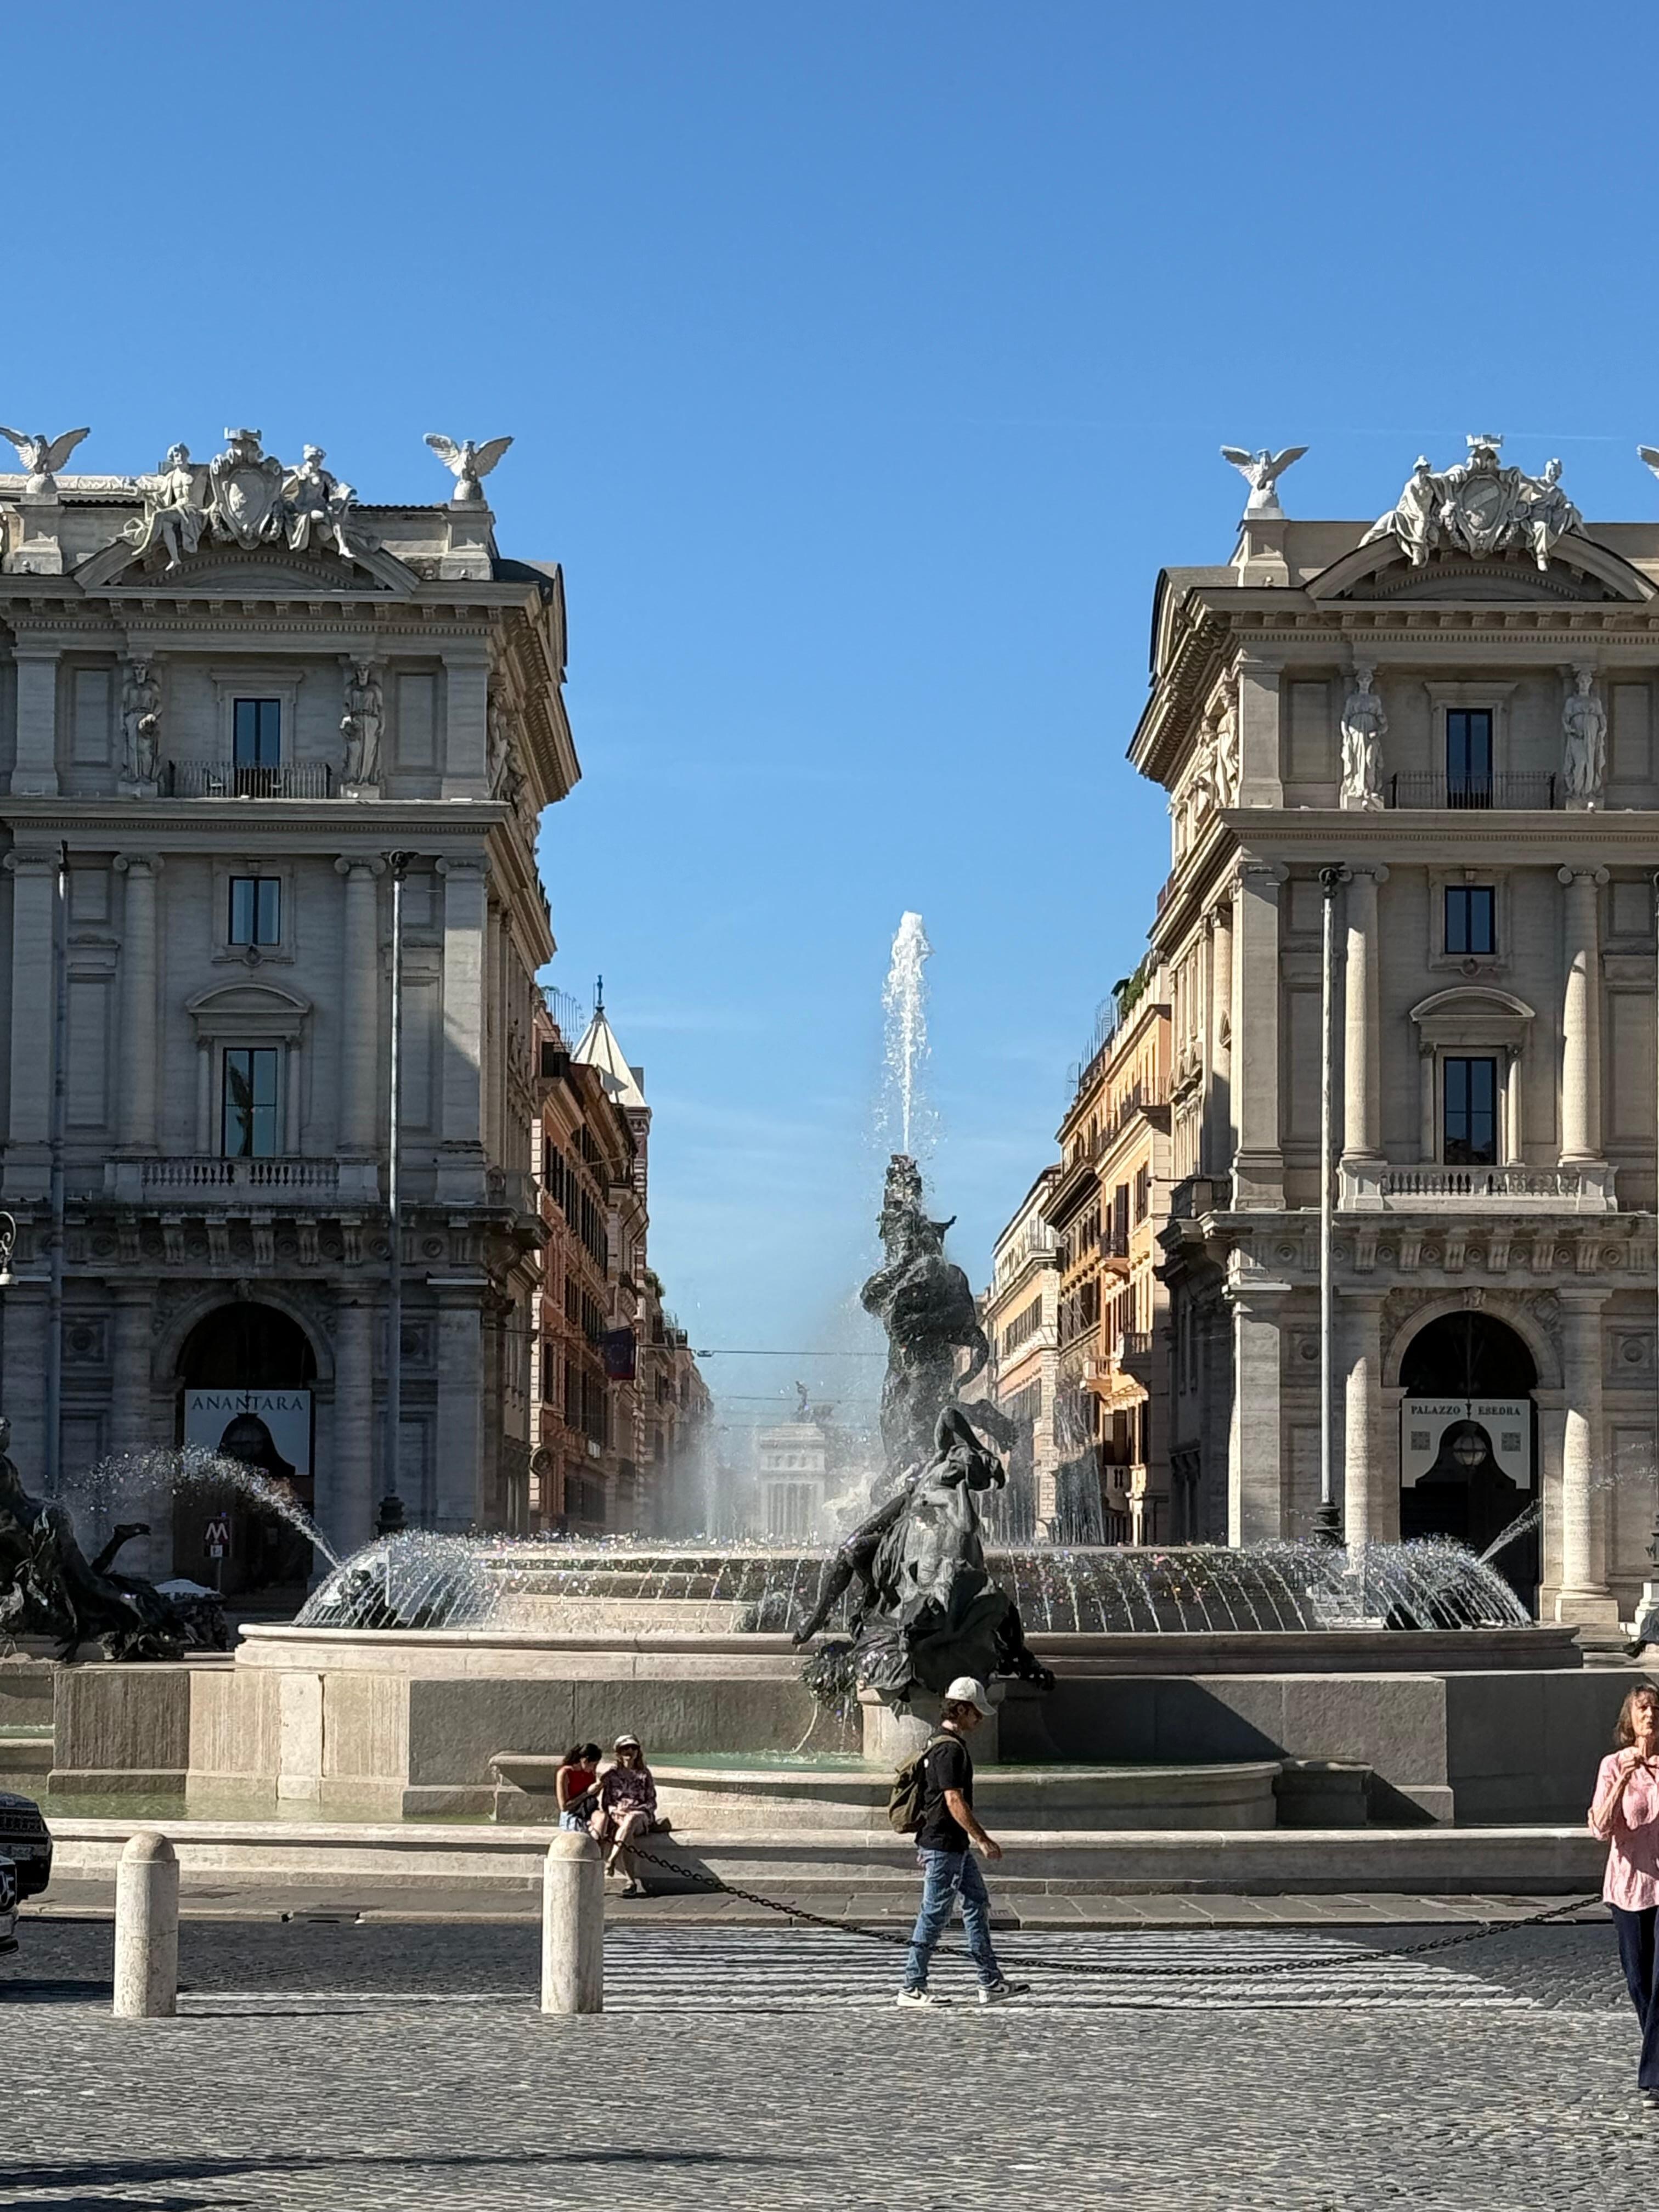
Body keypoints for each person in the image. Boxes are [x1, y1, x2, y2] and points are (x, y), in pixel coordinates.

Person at [897, 1675, 1029, 2008]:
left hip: (952, 1845)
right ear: (962, 1709)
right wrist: (982, 1839)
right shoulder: (948, 1750)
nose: (980, 1719)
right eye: (976, 1713)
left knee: (977, 1904)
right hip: (942, 1845)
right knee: (934, 1915)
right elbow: (954, 1801)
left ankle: (990, 1982)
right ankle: (912, 1987)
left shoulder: (941, 1743)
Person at [1588, 1684, 1659, 2101]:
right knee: (1639, 1982)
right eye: (1642, 1709)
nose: (1649, 1715)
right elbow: (1600, 1828)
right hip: (1628, 1888)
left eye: (1655, 1708)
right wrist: (1623, 1781)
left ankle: (1653, 2075)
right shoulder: (1613, 1765)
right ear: (1629, 1720)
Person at [591, 1734, 663, 1897]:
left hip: (641, 1817)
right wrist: (614, 1812)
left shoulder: (645, 1774)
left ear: (638, 1752)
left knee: (631, 1819)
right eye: (625, 1749)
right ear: (618, 1753)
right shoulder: (611, 1775)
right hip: (620, 1818)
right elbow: (606, 1802)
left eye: (633, 1748)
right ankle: (631, 1882)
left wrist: (638, 1809)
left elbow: (652, 1802)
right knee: (627, 1833)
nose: (629, 1751)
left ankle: (611, 1860)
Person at [555, 1742, 602, 1832]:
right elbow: (564, 1807)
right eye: (593, 1765)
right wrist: (587, 1793)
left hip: (590, 1812)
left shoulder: (590, 1774)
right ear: (585, 1761)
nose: (594, 1769)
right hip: (573, 1816)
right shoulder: (565, 1773)